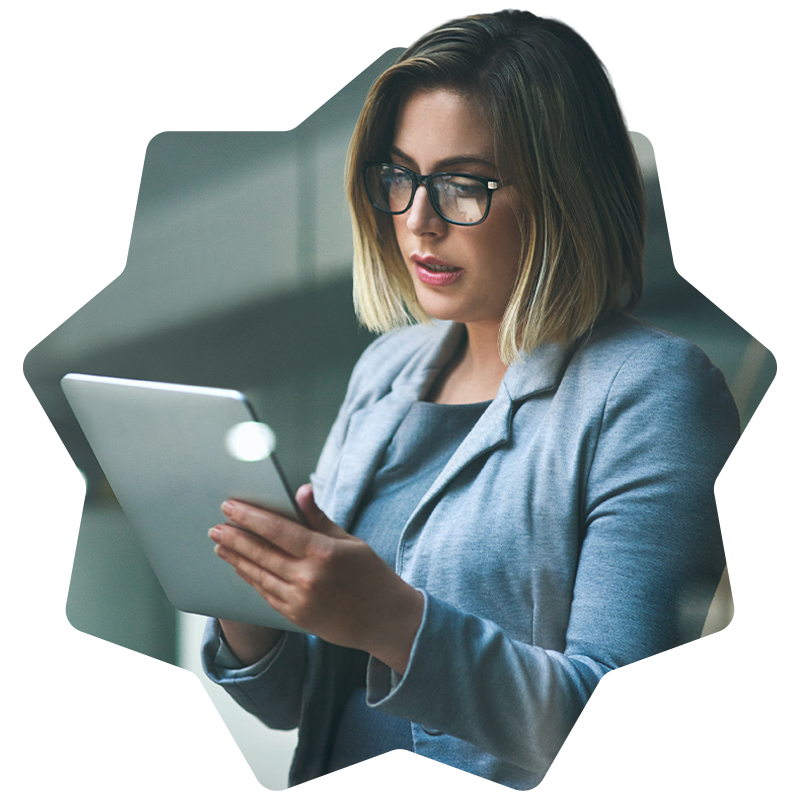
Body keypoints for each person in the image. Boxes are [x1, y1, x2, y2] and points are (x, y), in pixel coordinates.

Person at [201, 8, 744, 791]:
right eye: (399, 176)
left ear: (565, 193)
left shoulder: (650, 391)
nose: (418, 220)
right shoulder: (386, 371)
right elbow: (296, 702)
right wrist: (248, 597)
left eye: (464, 185)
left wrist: (390, 616)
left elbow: (622, 729)